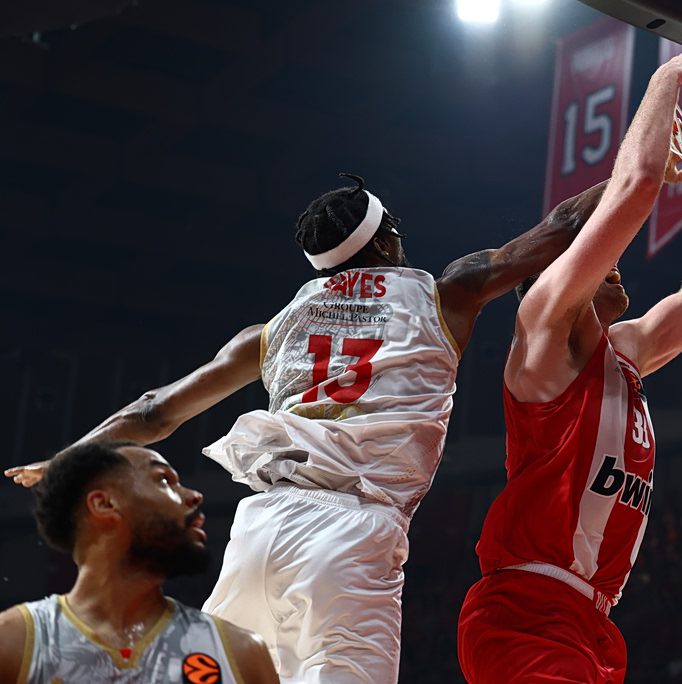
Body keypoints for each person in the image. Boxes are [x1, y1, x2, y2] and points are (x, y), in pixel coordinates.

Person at [5, 174, 606, 684]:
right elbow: (564, 224)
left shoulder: (274, 329)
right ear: (387, 238)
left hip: (259, 529)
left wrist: (69, 457)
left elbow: (155, 411)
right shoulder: (447, 293)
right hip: (351, 529)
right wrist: (662, 164)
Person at [457, 49, 682, 684]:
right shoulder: (542, 333)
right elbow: (636, 186)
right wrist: (672, 74)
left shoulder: (625, 355)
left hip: (593, 621)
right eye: (598, 258)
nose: (616, 263)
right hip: (522, 613)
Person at [0, 441, 278, 684]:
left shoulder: (240, 652)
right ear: (104, 504)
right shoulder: (14, 641)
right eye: (164, 480)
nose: (194, 496)